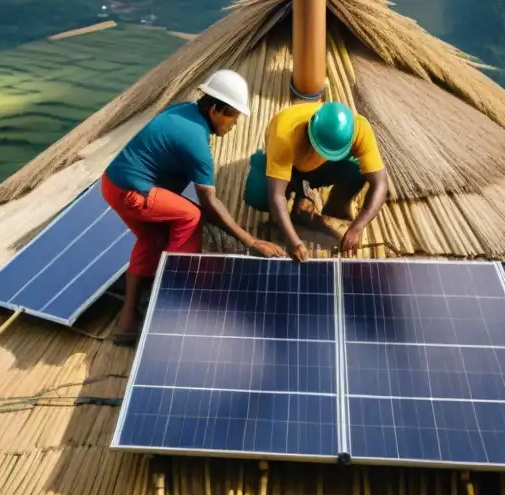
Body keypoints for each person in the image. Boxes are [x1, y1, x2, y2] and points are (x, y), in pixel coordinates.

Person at [102, 69, 286, 344]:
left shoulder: (184, 111)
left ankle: (127, 321)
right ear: (215, 110)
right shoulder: (195, 140)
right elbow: (209, 204)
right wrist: (251, 241)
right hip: (131, 192)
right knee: (191, 216)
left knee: (152, 239)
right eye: (233, 116)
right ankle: (175, 298)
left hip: (113, 184)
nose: (235, 124)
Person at [244, 101, 389, 261]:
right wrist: (295, 243)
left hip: (320, 168)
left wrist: (357, 227)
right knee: (258, 194)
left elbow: (380, 183)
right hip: (290, 165)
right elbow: (276, 196)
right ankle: (292, 192)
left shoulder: (359, 128)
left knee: (357, 169)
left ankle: (335, 208)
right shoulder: (285, 133)